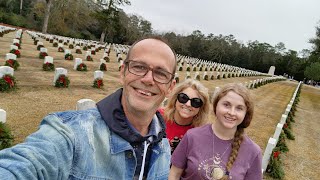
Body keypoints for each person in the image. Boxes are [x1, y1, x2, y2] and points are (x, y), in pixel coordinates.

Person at [0, 37, 177, 180]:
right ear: (122, 72)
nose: (148, 79)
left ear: (171, 87)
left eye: (161, 73)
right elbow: (25, 164)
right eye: (139, 67)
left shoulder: (162, 145)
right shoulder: (71, 134)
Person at [169, 83, 262, 180]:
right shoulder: (192, 136)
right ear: (216, 105)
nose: (231, 112)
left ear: (246, 113)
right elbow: (175, 173)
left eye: (239, 108)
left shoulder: (253, 152)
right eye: (226, 105)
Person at [158, 79, 210, 153]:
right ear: (175, 99)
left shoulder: (202, 133)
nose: (188, 104)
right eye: (183, 98)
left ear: (201, 107)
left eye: (196, 102)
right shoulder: (158, 117)